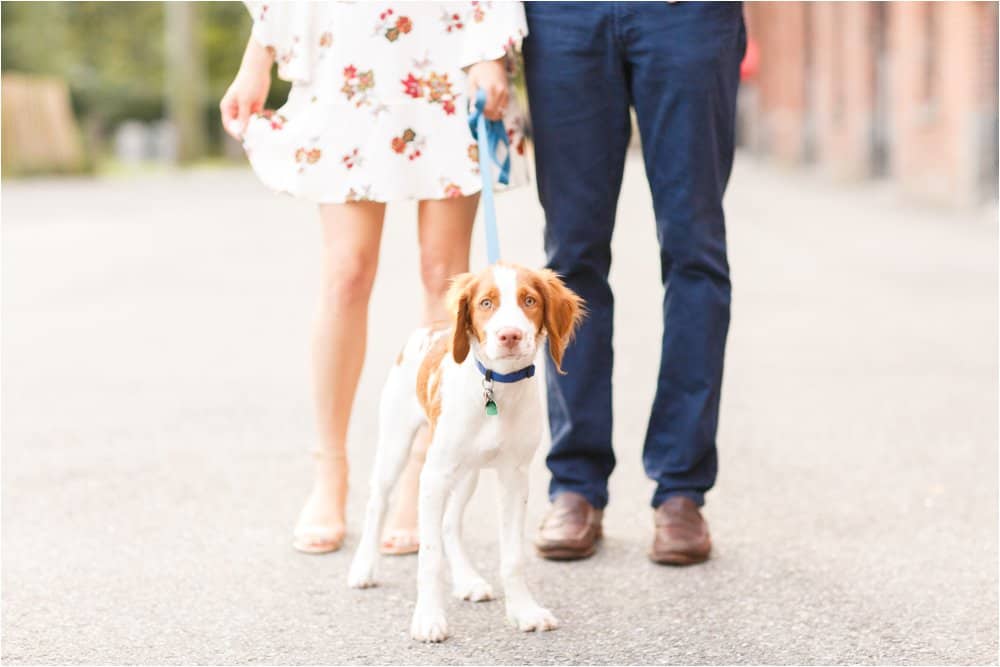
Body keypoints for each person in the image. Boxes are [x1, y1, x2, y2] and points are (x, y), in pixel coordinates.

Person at [220, 1, 528, 554]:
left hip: (447, 51)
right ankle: (329, 469)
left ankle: (422, 471)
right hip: (347, 60)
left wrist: (491, 52)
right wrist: (257, 59)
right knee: (346, 274)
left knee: (443, 275)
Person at [523, 2, 746, 565]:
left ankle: (681, 491)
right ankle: (574, 483)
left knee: (695, 252)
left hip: (687, 16)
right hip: (563, 17)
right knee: (571, 259)